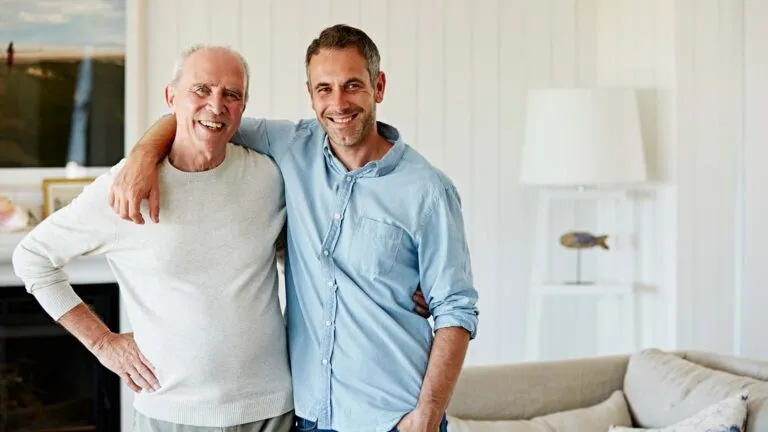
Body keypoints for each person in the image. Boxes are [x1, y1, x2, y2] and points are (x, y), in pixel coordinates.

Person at [110, 25, 479, 432]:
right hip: (307, 415)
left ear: (379, 85)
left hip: (394, 417)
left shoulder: (428, 190)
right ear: (310, 94)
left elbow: (456, 310)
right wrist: (141, 158)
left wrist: (427, 415)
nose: (338, 103)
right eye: (324, 89)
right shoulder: (291, 145)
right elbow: (199, 118)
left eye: (352, 85)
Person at [12, 45, 296, 432]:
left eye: (232, 94)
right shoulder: (124, 188)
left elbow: (303, 257)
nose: (216, 105)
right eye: (201, 89)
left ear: (243, 107)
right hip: (170, 415)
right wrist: (102, 344)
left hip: (273, 410)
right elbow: (32, 258)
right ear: (170, 97)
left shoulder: (268, 178)